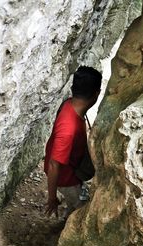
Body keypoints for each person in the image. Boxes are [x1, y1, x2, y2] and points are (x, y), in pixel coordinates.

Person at [44, 66, 102, 218]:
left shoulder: (69, 104)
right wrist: (52, 198)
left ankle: (70, 209)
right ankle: (70, 219)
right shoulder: (68, 129)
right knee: (81, 206)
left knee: (77, 197)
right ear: (97, 93)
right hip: (66, 178)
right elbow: (53, 164)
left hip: (71, 170)